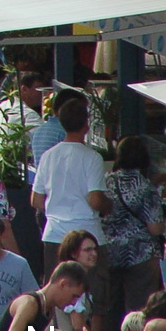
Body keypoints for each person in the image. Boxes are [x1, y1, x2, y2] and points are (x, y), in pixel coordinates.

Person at [33, 97, 110, 279]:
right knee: (92, 289)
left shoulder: (48, 156)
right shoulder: (92, 158)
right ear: (86, 125)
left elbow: (36, 200)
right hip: (88, 235)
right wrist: (109, 206)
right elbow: (95, 200)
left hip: (54, 234)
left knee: (57, 289)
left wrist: (57, 207)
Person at [100, 135, 166, 331]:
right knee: (140, 309)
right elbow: (155, 228)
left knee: (111, 306)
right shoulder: (146, 187)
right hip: (140, 255)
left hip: (110, 252)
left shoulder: (106, 181)